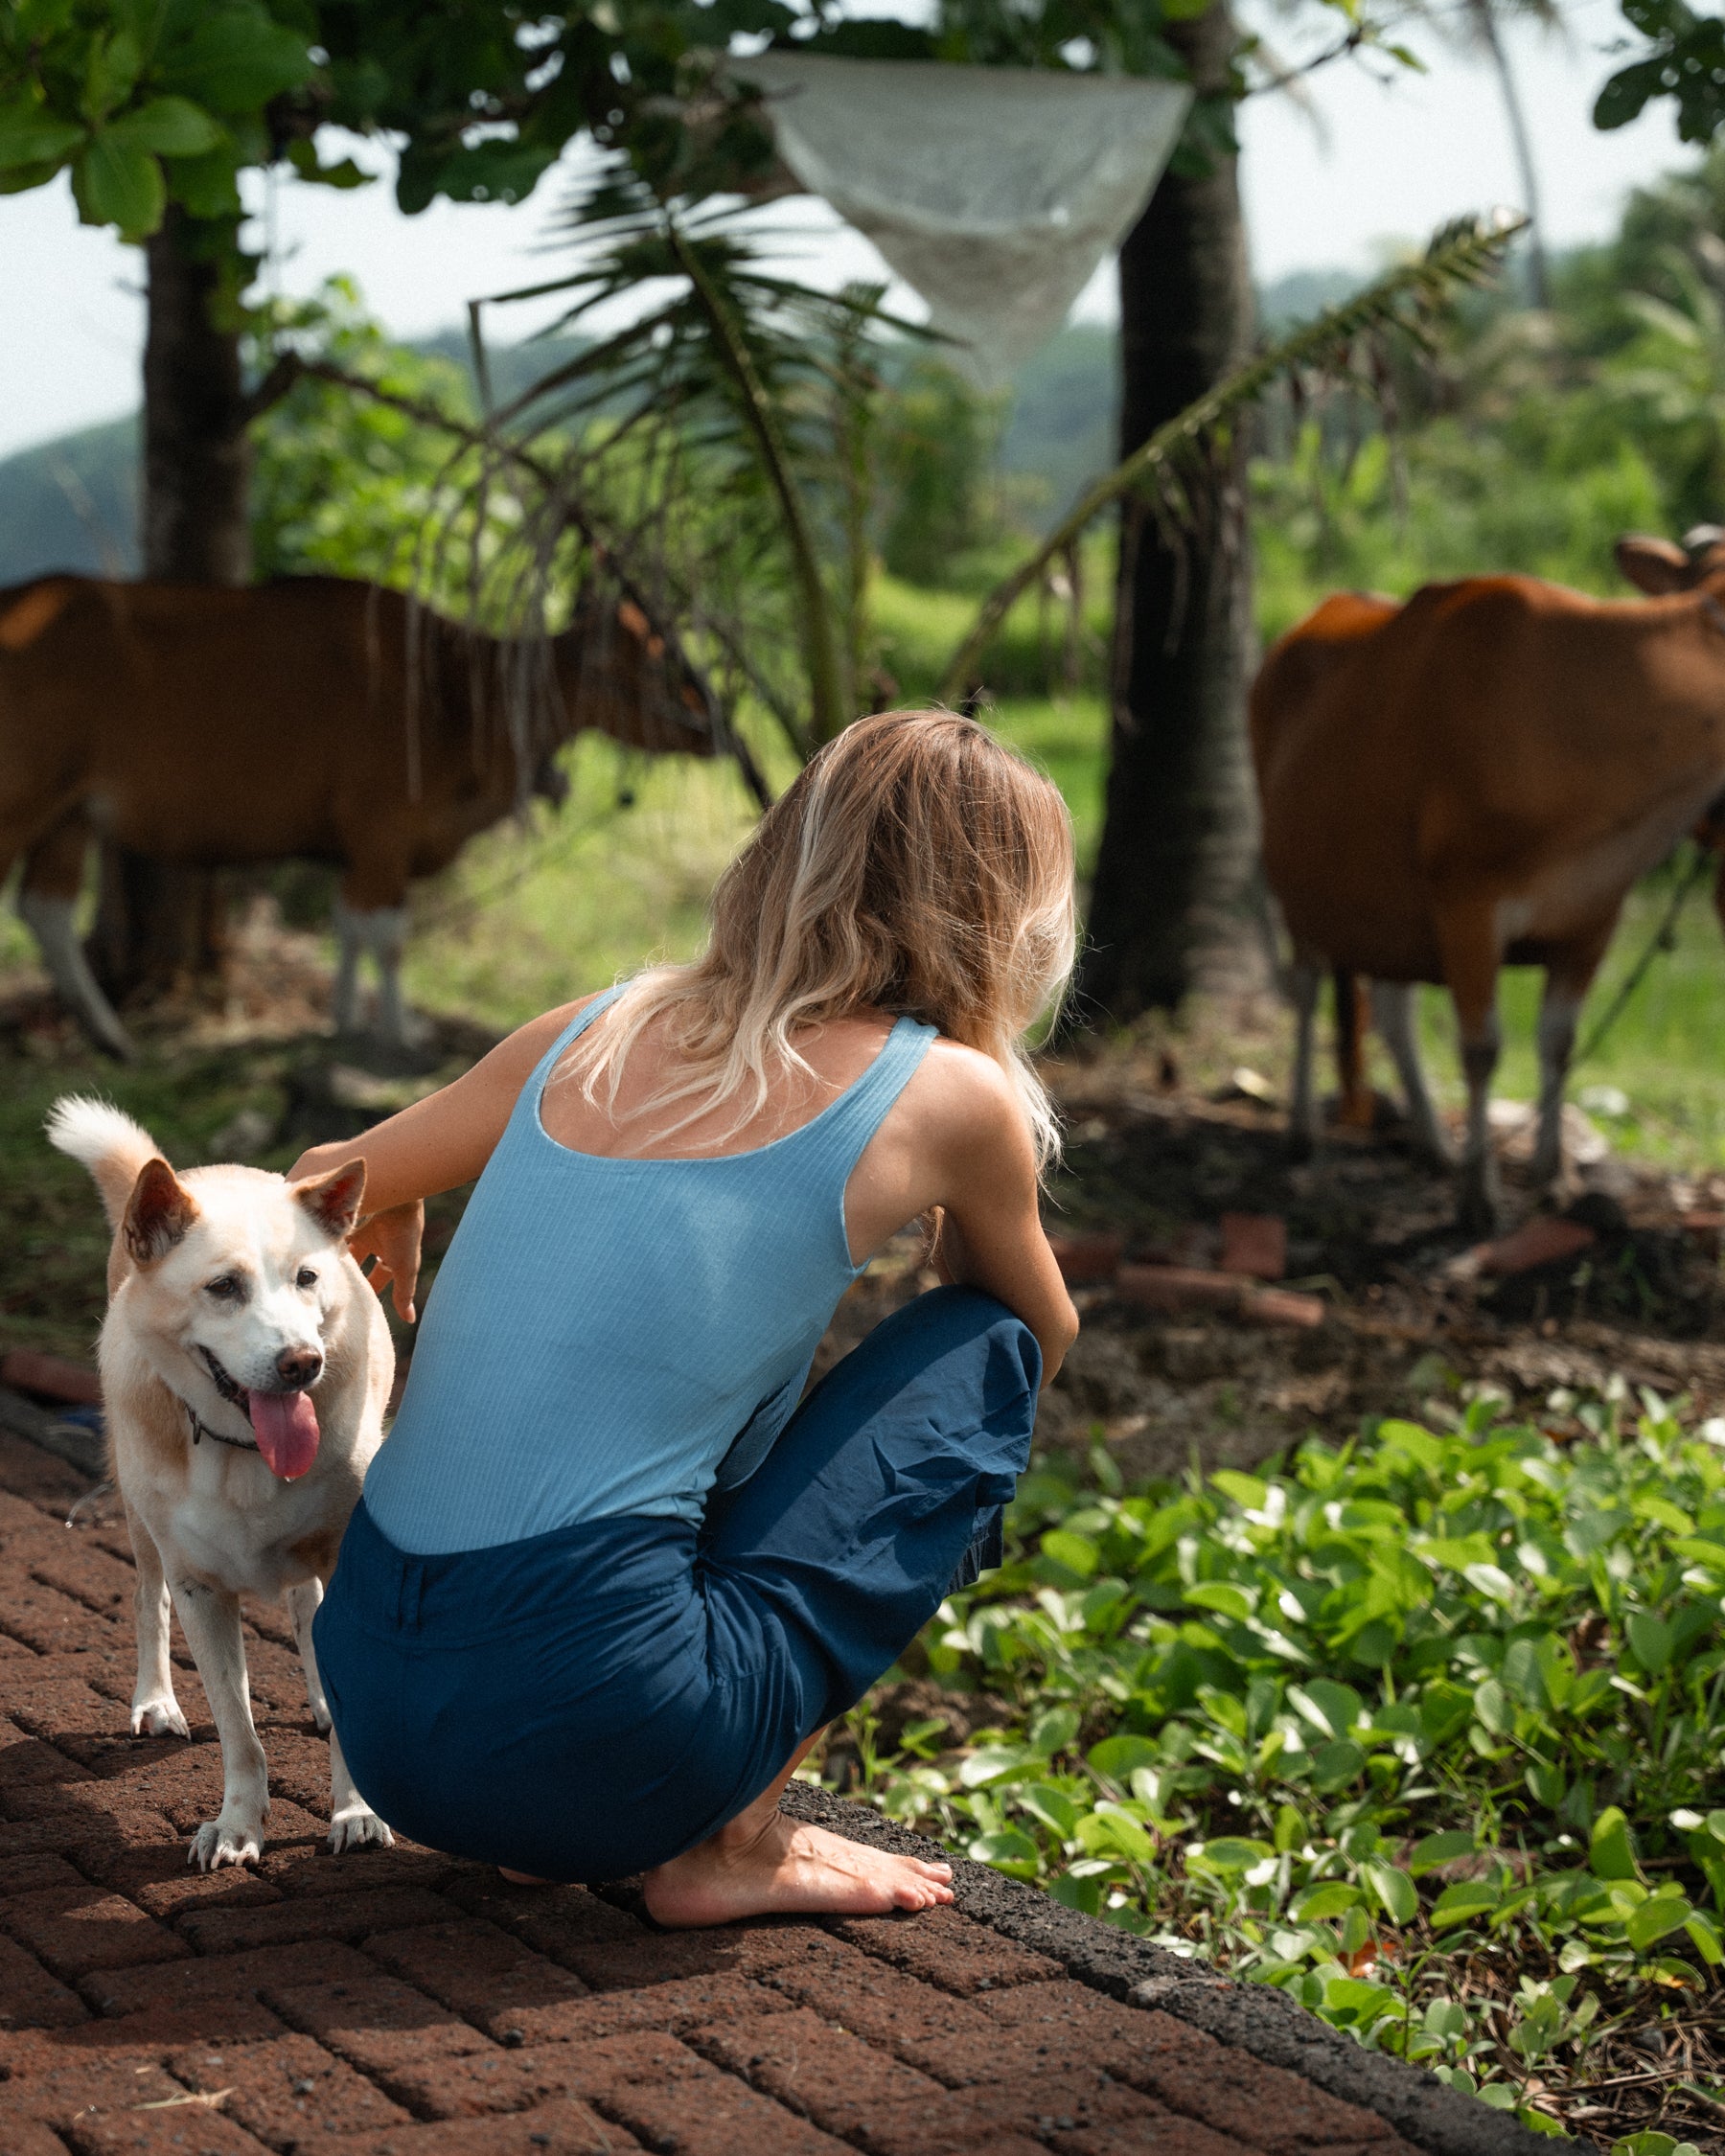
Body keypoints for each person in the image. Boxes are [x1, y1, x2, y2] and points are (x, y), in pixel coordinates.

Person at [297, 709, 1080, 1926]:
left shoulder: (597, 1023)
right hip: (604, 1725)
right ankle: (727, 1843)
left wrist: (385, 1205)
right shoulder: (952, 1096)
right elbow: (1030, 1337)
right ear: (999, 914)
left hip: (384, 1724)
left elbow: (324, 1176)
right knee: (985, 1352)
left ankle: (570, 1808)